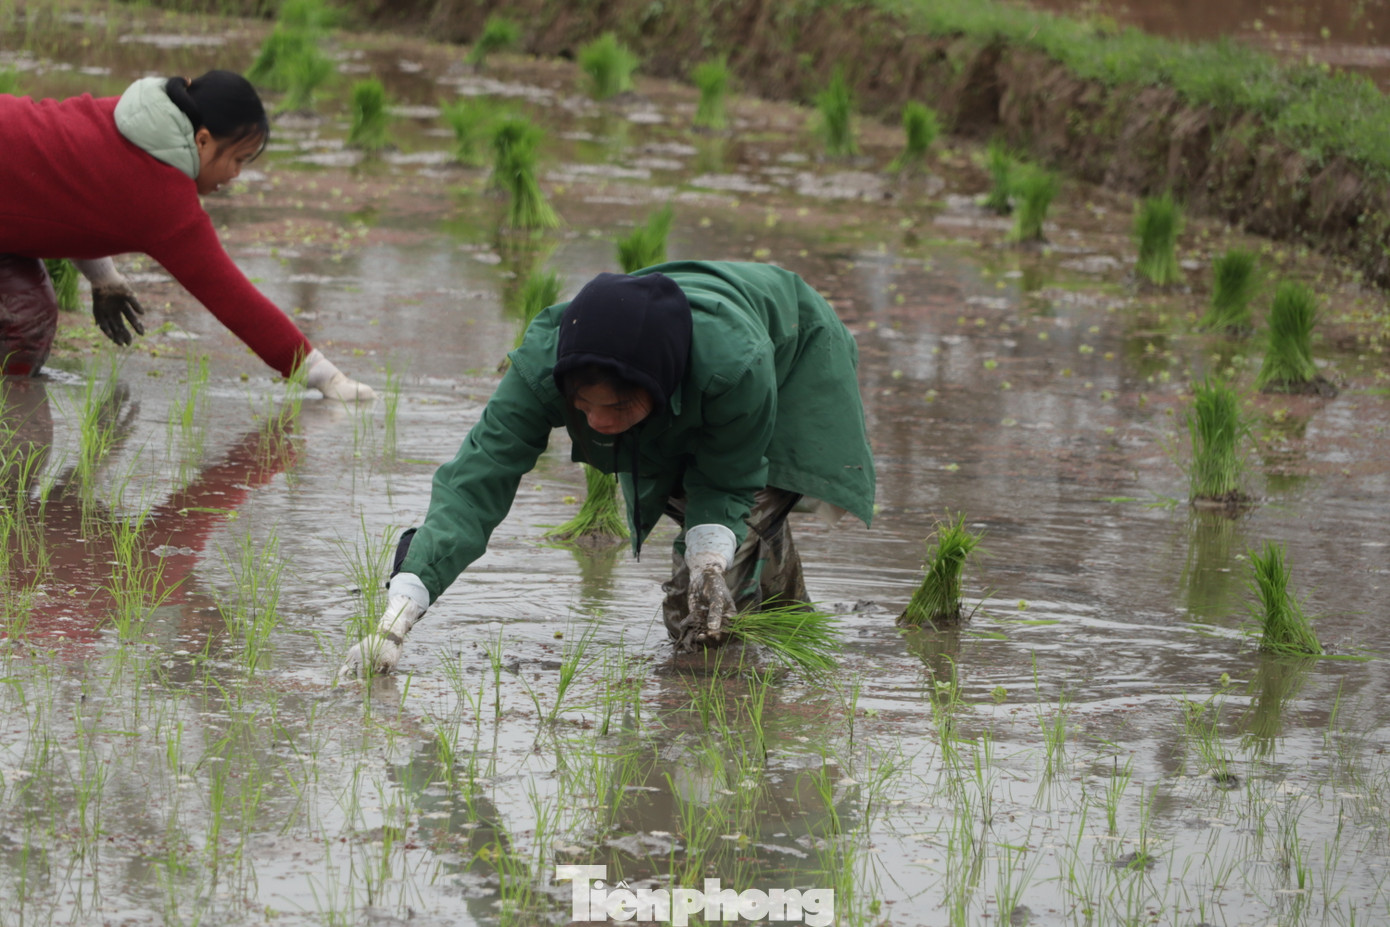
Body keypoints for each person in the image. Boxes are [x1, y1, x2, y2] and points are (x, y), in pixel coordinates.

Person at [339, 260, 875, 679]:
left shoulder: (734, 368)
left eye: (616, 408)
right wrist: (398, 616)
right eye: (583, 405)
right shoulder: (544, 368)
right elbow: (474, 484)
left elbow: (726, 478)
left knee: (701, 596)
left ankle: (716, 706)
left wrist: (708, 565)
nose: (597, 421)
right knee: (741, 544)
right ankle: (794, 640)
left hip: (794, 351)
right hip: (689, 376)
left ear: (660, 385)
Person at [0, 70, 372, 399]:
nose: (237, 174)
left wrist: (104, 278)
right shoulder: (163, 195)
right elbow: (232, 298)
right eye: (238, 159)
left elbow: (67, 194)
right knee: (22, 325)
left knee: (26, 316)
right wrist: (327, 377)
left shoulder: (132, 118)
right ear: (204, 141)